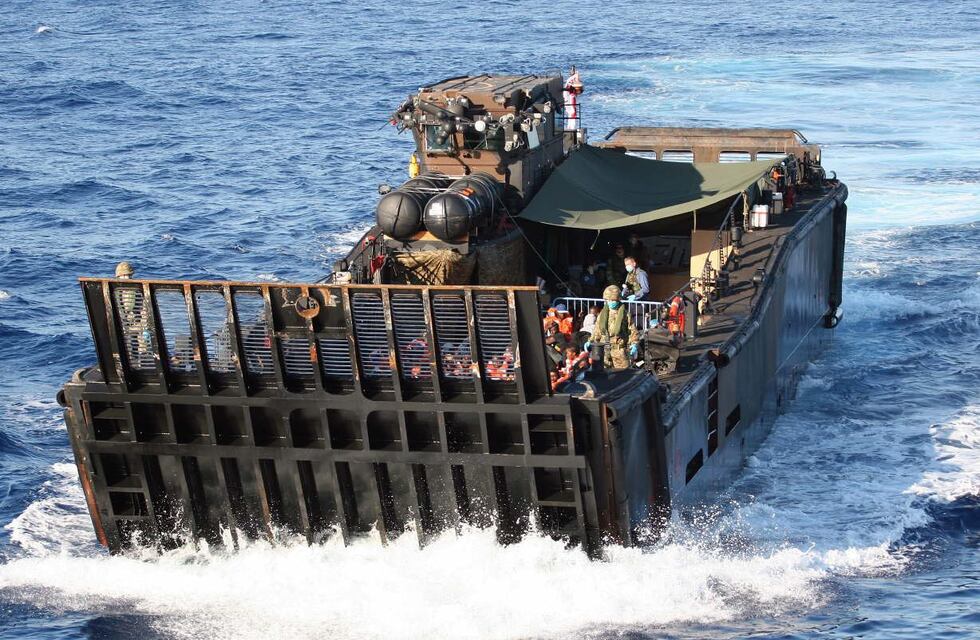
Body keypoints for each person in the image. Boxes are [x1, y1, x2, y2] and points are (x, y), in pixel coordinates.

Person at [584, 285, 639, 370]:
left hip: (619, 350)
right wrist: (590, 341)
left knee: (623, 375)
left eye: (614, 300)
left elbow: (632, 330)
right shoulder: (602, 314)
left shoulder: (625, 314)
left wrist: (634, 343)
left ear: (618, 300)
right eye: (609, 300)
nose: (611, 302)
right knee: (604, 376)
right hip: (604, 350)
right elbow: (597, 330)